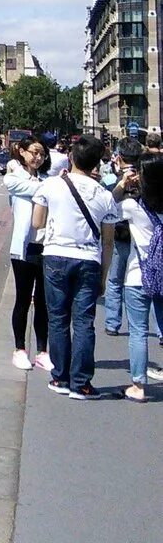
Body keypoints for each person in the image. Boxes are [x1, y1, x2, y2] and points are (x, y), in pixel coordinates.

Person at [33, 134, 129, 398]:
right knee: (84, 322)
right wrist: (104, 275)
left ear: (72, 158)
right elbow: (108, 242)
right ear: (96, 163)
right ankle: (82, 383)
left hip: (55, 256)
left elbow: (37, 222)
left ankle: (60, 378)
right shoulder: (104, 196)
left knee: (58, 319)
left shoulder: (52, 185)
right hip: (89, 260)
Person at [117, 156, 163, 402]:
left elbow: (106, 207)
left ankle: (138, 386)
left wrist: (123, 184)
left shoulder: (134, 207)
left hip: (138, 275)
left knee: (138, 331)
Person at [4, 137, 53, 371]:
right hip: (23, 248)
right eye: (33, 152)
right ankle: (20, 349)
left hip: (46, 246)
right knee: (23, 299)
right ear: (21, 152)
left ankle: (43, 351)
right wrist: (50, 187)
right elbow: (19, 186)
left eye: (42, 154)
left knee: (44, 302)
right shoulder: (13, 178)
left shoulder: (47, 179)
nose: (38, 157)